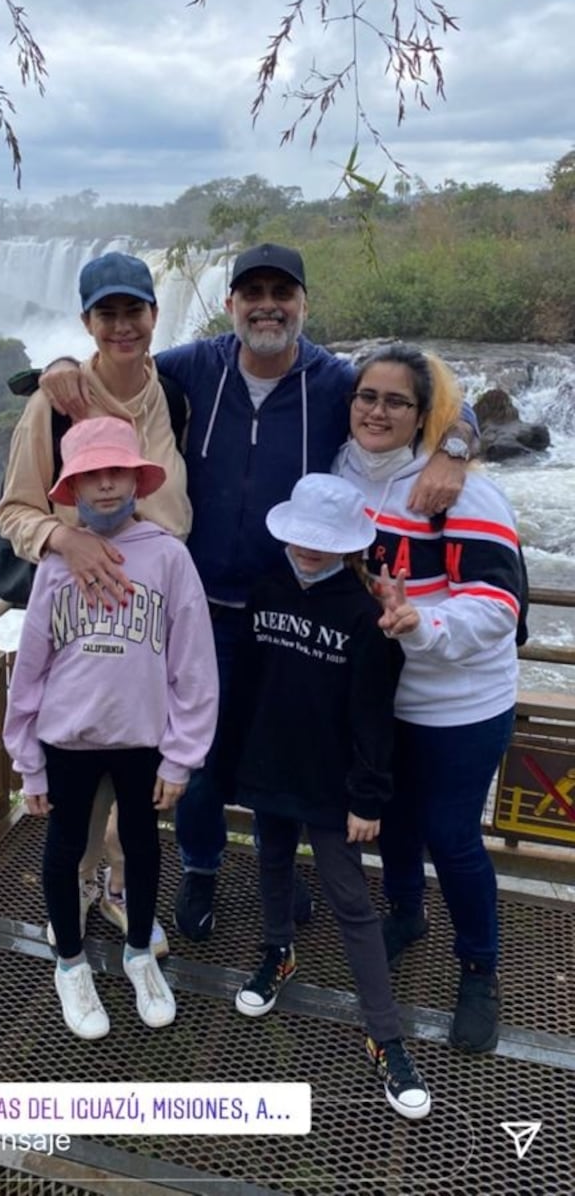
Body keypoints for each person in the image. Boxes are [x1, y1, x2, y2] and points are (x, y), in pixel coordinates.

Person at [40, 243, 477, 942]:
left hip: (292, 603)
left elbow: (435, 403)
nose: (267, 305)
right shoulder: (194, 365)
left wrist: (456, 450)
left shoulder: (336, 380)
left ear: (303, 304)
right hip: (198, 604)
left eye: (282, 292)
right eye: (253, 293)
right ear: (231, 304)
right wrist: (58, 367)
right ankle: (202, 868)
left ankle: (282, 866)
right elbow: (106, 372)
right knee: (201, 751)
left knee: (297, 741)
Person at [0, 250, 192, 956]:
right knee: (80, 791)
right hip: (80, 619)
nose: (121, 326)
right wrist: (62, 540)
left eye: (132, 311)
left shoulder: (173, 390)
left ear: (153, 315)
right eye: (105, 314)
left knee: (140, 784)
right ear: (86, 321)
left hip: (156, 616)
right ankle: (77, 895)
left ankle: (115, 888)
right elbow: (14, 511)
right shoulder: (53, 401)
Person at [220, 472, 430, 1121]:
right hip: (269, 767)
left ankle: (385, 1035)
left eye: (324, 541)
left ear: (347, 544)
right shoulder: (265, 590)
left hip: (334, 787)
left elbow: (374, 717)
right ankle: (276, 952)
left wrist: (367, 799)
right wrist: (230, 766)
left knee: (350, 903)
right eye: (301, 537)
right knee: (272, 863)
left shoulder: (366, 617)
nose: (309, 550)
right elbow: (247, 687)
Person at [2, 416, 218, 1039]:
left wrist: (181, 756)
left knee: (143, 846)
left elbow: (194, 666)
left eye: (116, 472)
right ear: (71, 487)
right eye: (90, 475)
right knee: (66, 848)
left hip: (142, 739)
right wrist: (27, 759)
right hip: (67, 739)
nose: (104, 486)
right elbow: (32, 667)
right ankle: (70, 963)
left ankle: (138, 956)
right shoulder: (54, 565)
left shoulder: (170, 559)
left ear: (136, 479)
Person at [335, 342, 523, 1053]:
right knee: (396, 822)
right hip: (381, 697)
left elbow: (499, 603)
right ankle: (407, 913)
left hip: (458, 702)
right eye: (366, 396)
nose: (376, 410)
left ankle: (479, 970)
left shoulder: (459, 489)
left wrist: (425, 622)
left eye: (395, 400)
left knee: (451, 835)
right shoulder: (339, 473)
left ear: (423, 415)